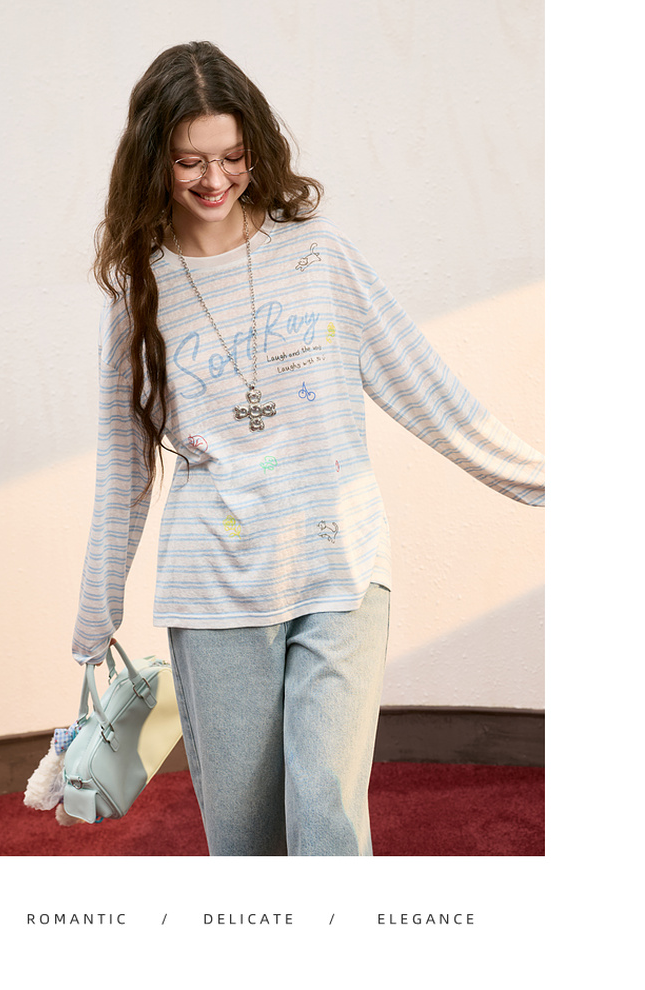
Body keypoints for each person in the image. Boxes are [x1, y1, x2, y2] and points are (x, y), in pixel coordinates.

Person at [71, 40, 545, 856]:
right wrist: (96, 611)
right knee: (247, 837)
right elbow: (125, 467)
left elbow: (424, 385)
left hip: (340, 568)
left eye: (232, 156)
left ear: (256, 147)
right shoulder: (142, 293)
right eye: (189, 161)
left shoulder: (318, 258)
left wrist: (545, 481)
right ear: (153, 161)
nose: (215, 179)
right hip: (215, 590)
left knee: (326, 811)